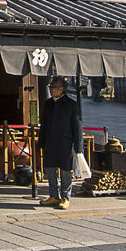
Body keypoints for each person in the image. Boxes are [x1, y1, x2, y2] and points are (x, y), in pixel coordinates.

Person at [37, 76, 81, 209]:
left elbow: (77, 126)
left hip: (65, 142)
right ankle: (53, 195)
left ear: (61, 89)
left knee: (66, 170)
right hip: (50, 141)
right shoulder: (48, 103)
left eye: (53, 87)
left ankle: (65, 197)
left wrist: (78, 147)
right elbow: (43, 124)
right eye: (50, 87)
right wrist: (41, 141)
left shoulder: (71, 104)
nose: (50, 90)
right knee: (50, 169)